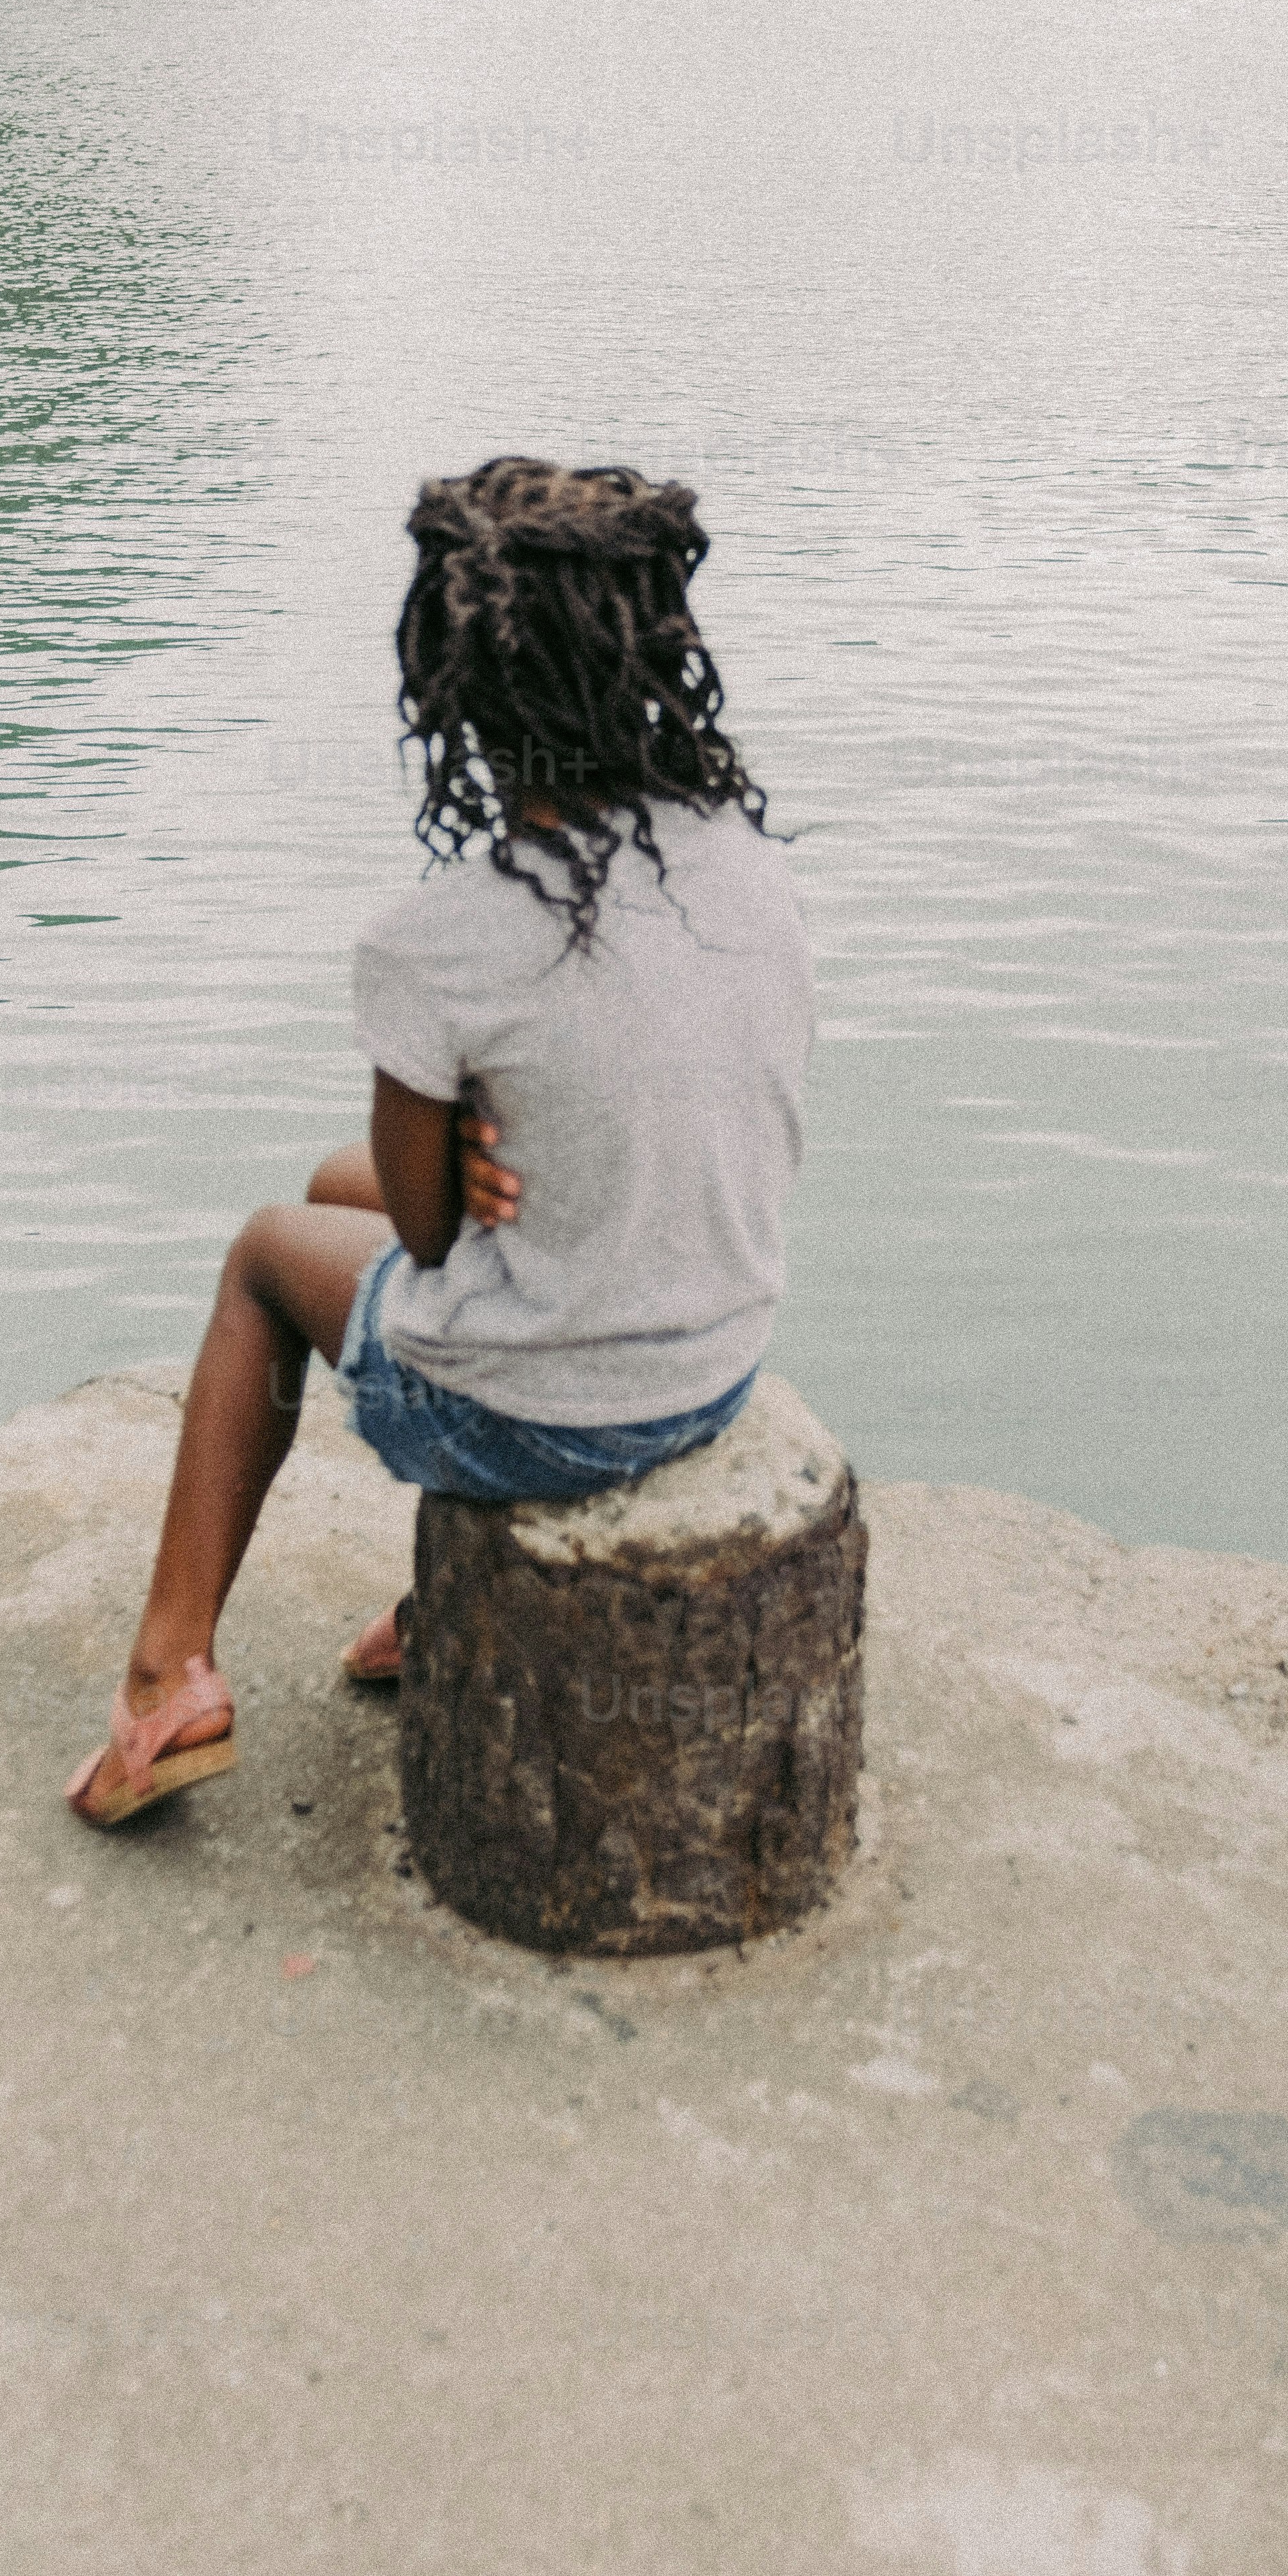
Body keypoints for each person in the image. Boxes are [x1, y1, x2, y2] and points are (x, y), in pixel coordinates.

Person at [65, 456, 814, 1827]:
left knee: (263, 1256)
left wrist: (459, 1140)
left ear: (452, 694)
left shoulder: (438, 942)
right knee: (323, 1192)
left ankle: (167, 1670)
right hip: (710, 1359)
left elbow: (420, 1233)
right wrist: (481, 1152)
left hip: (545, 1413)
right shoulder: (748, 865)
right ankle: (448, 1602)